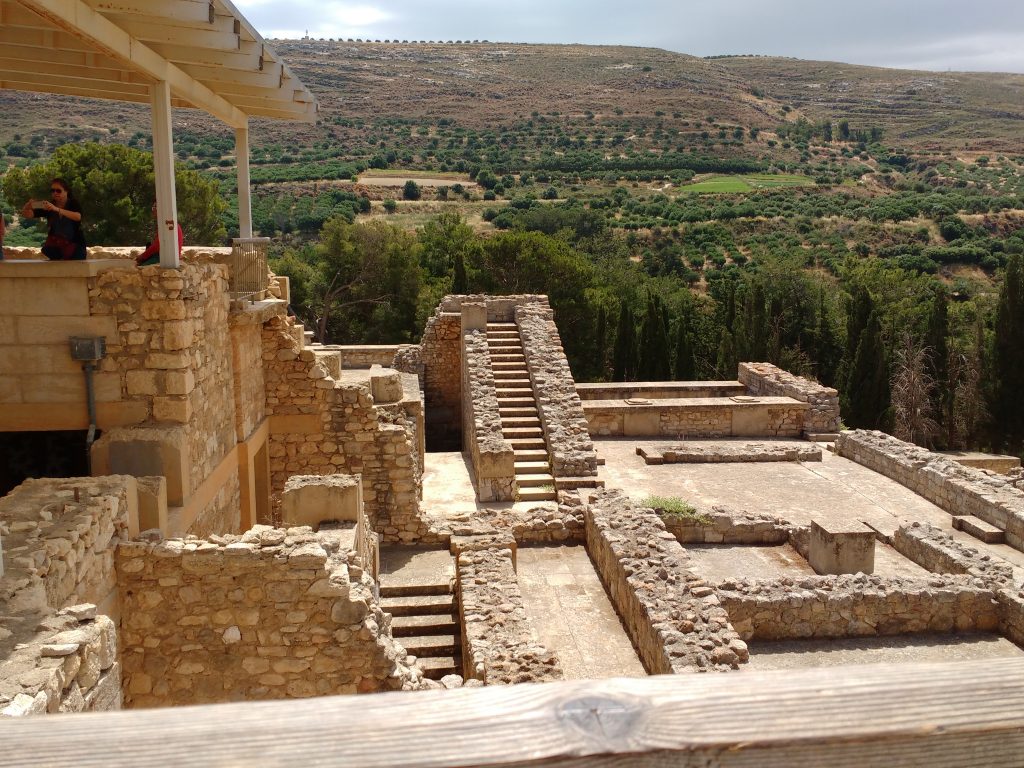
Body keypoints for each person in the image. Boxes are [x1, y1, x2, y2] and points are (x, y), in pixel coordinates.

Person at [20, 178, 87, 260]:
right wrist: (27, 206)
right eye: (53, 190)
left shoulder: (73, 203)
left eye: (58, 191)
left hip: (75, 245)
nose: (55, 193)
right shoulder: (49, 206)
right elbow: (28, 215)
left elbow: (77, 217)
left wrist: (56, 209)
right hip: (57, 247)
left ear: (66, 191)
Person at [136, 201, 183, 266]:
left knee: (141, 269)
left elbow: (158, 245)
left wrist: (143, 256)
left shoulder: (167, 224)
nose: (153, 210)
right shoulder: (168, 223)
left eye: (155, 207)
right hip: (167, 256)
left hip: (165, 258)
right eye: (153, 207)